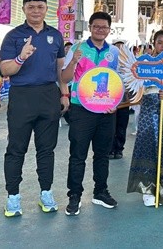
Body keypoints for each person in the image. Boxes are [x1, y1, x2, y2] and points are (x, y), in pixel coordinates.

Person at [0, 0, 69, 217]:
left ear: (47, 9)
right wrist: (21, 57)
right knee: (16, 149)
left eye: (40, 7)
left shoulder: (55, 35)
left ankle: (46, 192)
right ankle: (13, 196)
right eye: (31, 7)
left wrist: (64, 93)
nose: (36, 11)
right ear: (24, 10)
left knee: (46, 149)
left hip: (48, 95)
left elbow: (59, 68)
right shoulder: (13, 36)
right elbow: (5, 69)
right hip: (22, 96)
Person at [61, 12, 120, 215]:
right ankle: (74, 195)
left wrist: (115, 103)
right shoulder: (77, 48)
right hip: (81, 109)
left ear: (109, 29)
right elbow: (64, 78)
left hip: (106, 111)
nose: (100, 30)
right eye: (96, 26)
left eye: (104, 27)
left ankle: (100, 192)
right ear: (90, 28)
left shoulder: (114, 52)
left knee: (102, 154)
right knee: (78, 154)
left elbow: (118, 81)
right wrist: (73, 62)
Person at [127, 30, 163, 206]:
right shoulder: (144, 63)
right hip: (149, 106)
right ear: (154, 43)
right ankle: (147, 188)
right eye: (159, 42)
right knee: (147, 145)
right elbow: (135, 84)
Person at [110, 39, 130, 160]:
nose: (119, 50)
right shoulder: (108, 63)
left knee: (122, 126)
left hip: (124, 101)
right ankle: (110, 149)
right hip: (110, 99)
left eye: (122, 48)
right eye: (117, 48)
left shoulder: (130, 65)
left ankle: (119, 149)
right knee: (110, 126)